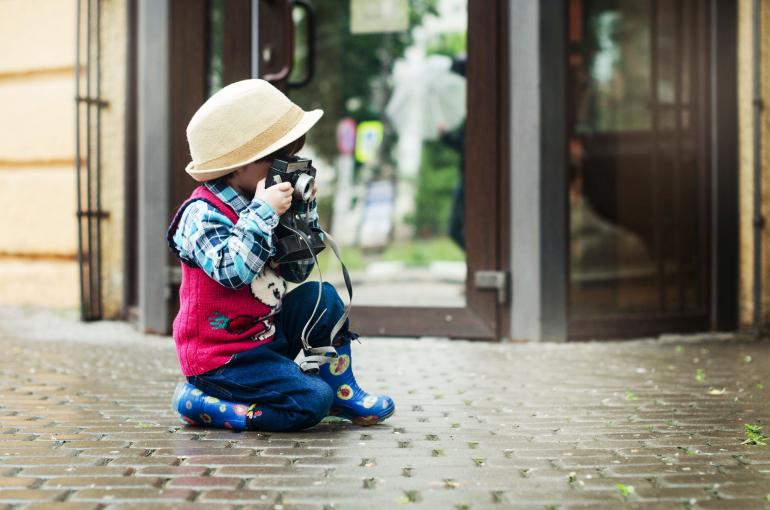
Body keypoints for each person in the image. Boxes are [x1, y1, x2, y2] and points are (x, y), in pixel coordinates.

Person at [167, 79, 394, 432]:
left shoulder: (267, 203)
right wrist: (263, 212)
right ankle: (205, 404)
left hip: (264, 337)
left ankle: (340, 389)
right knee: (309, 401)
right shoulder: (201, 214)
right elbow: (233, 272)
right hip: (222, 359)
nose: (285, 168)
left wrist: (303, 213)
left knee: (323, 297)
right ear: (238, 164)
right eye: (278, 159)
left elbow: (298, 272)